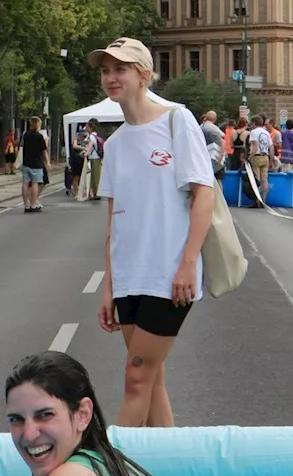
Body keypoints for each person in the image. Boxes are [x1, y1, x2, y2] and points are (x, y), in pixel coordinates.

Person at [89, 37, 216, 429]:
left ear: (144, 75)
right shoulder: (116, 143)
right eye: (106, 70)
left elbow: (204, 196)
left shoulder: (177, 120)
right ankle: (168, 475)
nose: (111, 77)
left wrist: (188, 264)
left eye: (120, 69)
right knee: (152, 379)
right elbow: (115, 221)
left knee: (136, 378)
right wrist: (109, 286)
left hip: (168, 276)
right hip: (130, 276)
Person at [5, 351, 188, 476]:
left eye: (45, 415)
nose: (29, 434)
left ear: (83, 414)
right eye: (16, 419)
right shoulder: (109, 465)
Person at [20, 116, 49, 212]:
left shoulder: (26, 135)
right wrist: (47, 161)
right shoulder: (39, 136)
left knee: (25, 183)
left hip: (26, 162)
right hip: (36, 163)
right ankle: (33, 205)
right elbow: (44, 150)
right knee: (35, 183)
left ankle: (26, 205)